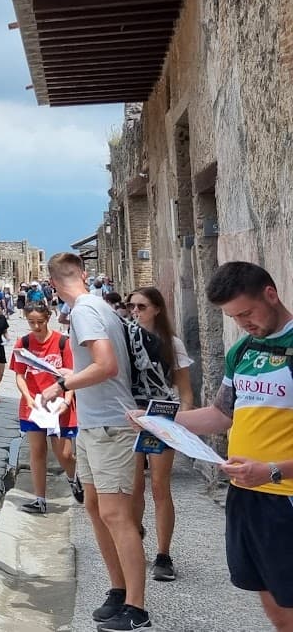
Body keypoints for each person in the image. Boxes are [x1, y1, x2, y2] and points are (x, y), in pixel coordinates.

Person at [138, 262, 293, 631]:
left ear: (271, 295)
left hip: (284, 492)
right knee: (273, 602)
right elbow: (221, 415)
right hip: (246, 494)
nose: (243, 323)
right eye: (233, 317)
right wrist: (157, 418)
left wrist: (272, 470)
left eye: (247, 313)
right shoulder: (242, 351)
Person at [38, 252, 146, 632]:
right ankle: (118, 589)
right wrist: (74, 372)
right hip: (92, 425)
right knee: (96, 508)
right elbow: (100, 364)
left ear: (52, 285)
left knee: (116, 515)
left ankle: (136, 608)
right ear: (84, 274)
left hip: (111, 426)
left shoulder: (83, 311)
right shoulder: (98, 307)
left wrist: (62, 383)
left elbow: (107, 366)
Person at [125, 286, 193, 584]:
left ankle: (164, 555)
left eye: (141, 306)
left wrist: (181, 425)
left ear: (157, 309)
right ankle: (134, 540)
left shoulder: (171, 344)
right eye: (132, 306)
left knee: (159, 486)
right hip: (131, 417)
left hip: (162, 415)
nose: (135, 312)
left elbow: (186, 392)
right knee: (133, 485)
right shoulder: (126, 340)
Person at [11, 304, 81, 514]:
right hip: (35, 405)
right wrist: (27, 397)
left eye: (40, 322)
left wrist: (67, 401)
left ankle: (73, 478)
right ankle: (39, 499)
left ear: (48, 318)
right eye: (31, 322)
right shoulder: (23, 343)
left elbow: (72, 376)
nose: (36, 327)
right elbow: (19, 375)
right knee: (37, 450)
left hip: (59, 404)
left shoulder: (62, 342)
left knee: (64, 454)